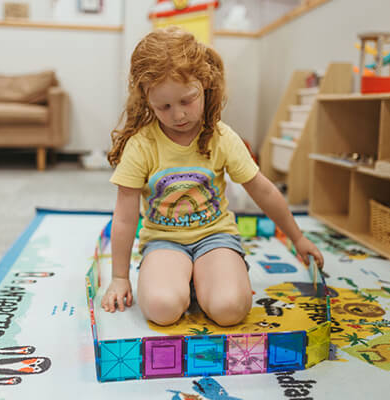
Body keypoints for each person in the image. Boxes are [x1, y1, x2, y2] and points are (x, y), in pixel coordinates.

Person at [101, 26, 324, 327]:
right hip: (164, 241)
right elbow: (126, 216)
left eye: (187, 100)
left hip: (215, 237)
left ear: (205, 84)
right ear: (146, 100)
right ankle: (186, 281)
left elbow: (263, 191)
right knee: (162, 309)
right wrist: (118, 277)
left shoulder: (222, 137)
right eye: (163, 106)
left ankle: (204, 280)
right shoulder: (142, 145)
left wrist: (297, 237)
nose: (178, 115)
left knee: (229, 309)